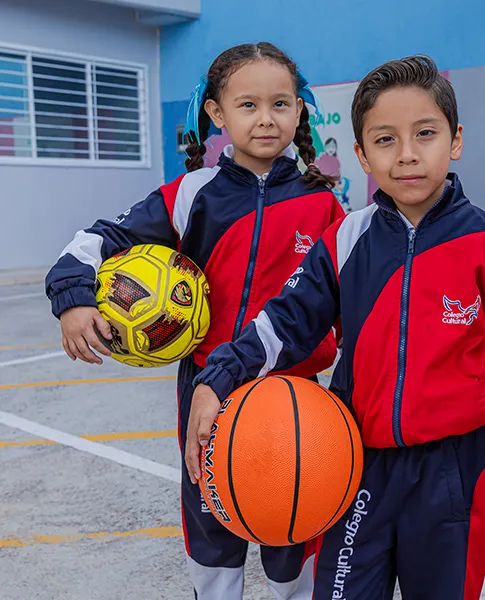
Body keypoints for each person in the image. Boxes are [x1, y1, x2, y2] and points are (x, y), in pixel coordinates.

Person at [185, 55, 485, 600]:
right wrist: (218, 377)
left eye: (425, 134)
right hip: (353, 464)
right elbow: (287, 319)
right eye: (384, 140)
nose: (406, 155)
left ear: (456, 139)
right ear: (361, 156)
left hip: (454, 472)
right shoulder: (346, 240)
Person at [44, 42, 346, 600]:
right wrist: (73, 293)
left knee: (295, 517)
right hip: (209, 387)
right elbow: (102, 237)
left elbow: (352, 302)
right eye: (248, 104)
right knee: (211, 519)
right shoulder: (192, 194)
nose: (265, 118)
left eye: (281, 104)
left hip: (294, 391)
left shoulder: (324, 206)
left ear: (300, 112)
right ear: (217, 114)